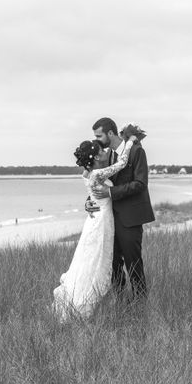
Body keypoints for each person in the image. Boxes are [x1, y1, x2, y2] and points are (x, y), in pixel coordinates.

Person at [51, 133, 138, 321]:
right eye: (102, 150)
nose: (106, 150)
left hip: (95, 217)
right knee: (97, 258)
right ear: (97, 157)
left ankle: (96, 297)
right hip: (101, 220)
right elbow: (122, 162)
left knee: (91, 257)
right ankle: (86, 299)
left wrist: (89, 202)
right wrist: (130, 142)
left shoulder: (87, 173)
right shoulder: (98, 173)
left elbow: (91, 193)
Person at [89, 118, 155, 300]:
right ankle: (120, 301)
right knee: (113, 263)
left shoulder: (136, 151)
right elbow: (99, 183)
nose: (97, 139)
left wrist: (110, 192)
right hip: (110, 219)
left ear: (110, 133)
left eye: (99, 135)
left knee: (133, 263)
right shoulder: (106, 155)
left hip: (130, 217)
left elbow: (140, 184)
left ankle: (141, 302)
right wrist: (91, 201)